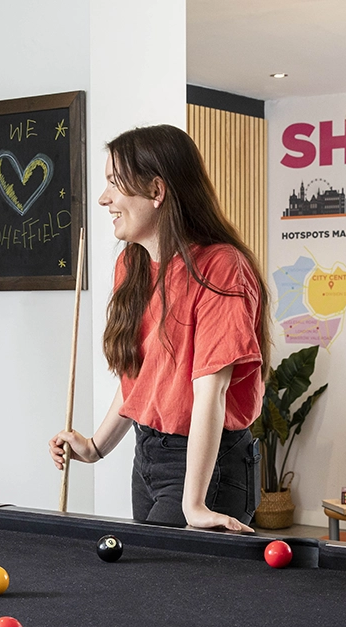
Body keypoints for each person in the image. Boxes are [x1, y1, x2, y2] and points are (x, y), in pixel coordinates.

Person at [48, 125, 269, 531]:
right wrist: (97, 446)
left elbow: (211, 393)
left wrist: (195, 504)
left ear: (156, 191)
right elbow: (142, 380)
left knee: (174, 591)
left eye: (115, 184)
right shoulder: (130, 266)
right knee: (153, 592)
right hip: (147, 456)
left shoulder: (221, 268)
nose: (104, 199)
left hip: (208, 463)